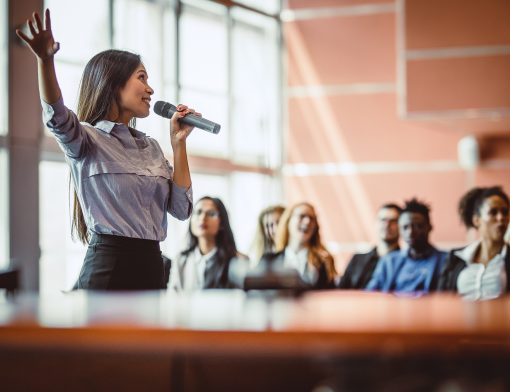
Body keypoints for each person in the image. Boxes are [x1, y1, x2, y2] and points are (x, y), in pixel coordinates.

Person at [17, 10, 199, 290]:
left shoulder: (150, 147)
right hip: (108, 267)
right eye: (141, 78)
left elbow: (181, 208)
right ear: (113, 84)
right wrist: (45, 61)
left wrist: (179, 143)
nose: (150, 89)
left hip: (152, 268)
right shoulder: (87, 139)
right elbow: (56, 116)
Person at [439, 186, 510, 299]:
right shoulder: (456, 257)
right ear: (476, 220)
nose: (501, 217)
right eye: (493, 212)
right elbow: (441, 299)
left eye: (505, 212)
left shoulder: (506, 257)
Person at [366, 198, 447, 293]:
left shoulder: (445, 261)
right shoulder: (389, 262)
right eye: (405, 227)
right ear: (399, 230)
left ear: (429, 227)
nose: (411, 232)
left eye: (418, 226)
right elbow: (370, 294)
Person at [168, 196, 246, 290]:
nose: (203, 218)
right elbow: (172, 299)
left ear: (221, 223)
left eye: (211, 213)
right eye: (198, 212)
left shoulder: (238, 260)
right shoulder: (181, 260)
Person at [257, 202, 336, 289]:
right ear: (288, 221)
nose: (307, 221)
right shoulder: (269, 260)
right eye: (302, 216)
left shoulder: (324, 261)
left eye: (312, 218)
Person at [339, 203, 401, 289]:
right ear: (376, 224)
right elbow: (341, 291)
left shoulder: (405, 263)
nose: (387, 225)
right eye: (383, 220)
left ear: (402, 225)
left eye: (393, 221)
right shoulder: (357, 260)